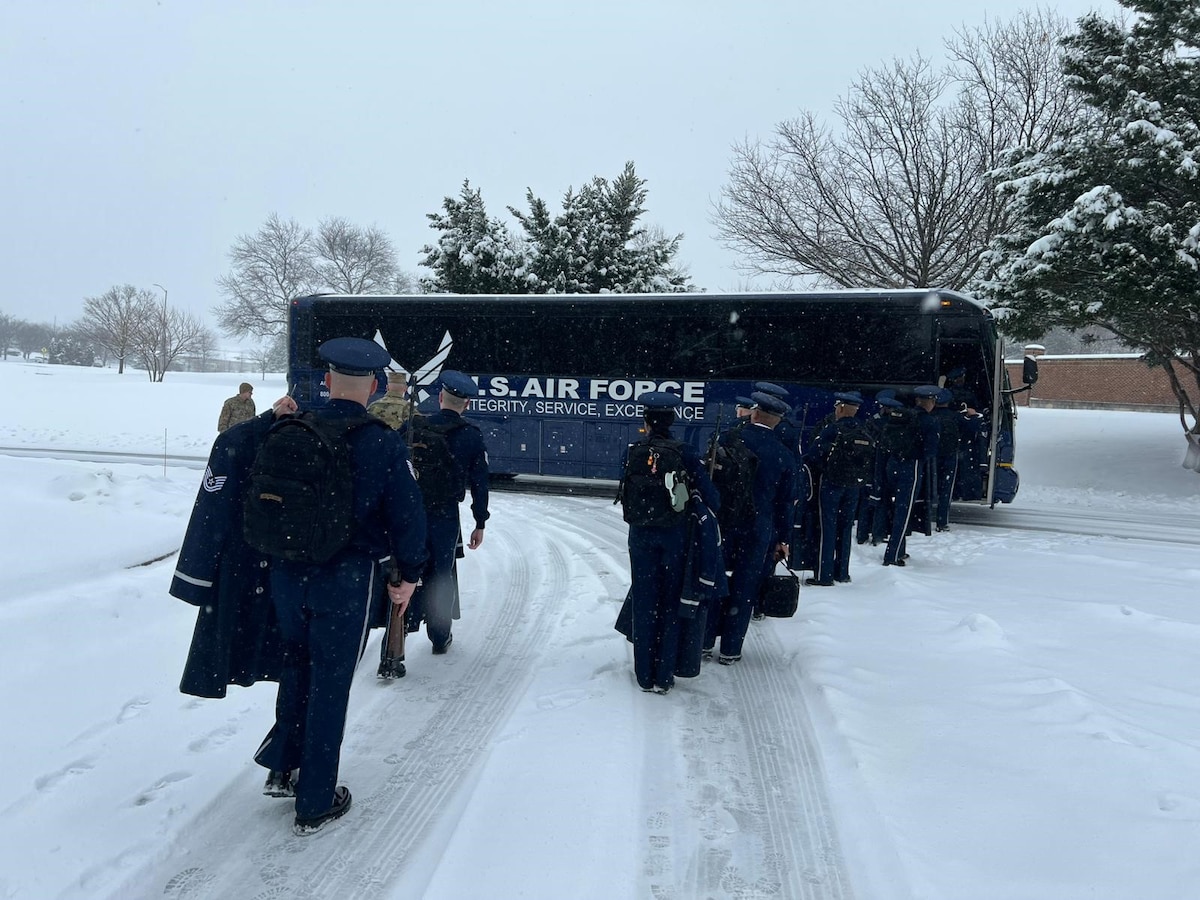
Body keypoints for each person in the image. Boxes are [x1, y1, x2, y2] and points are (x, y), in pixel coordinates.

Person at [253, 337, 427, 836]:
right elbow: (408, 519)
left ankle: (283, 768)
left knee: (296, 667)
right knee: (331, 682)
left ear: (326, 382)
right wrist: (409, 576)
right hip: (345, 578)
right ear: (374, 387)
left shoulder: (292, 426)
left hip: (287, 573)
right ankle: (315, 798)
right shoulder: (382, 441)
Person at [619, 392, 719, 693]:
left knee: (645, 600)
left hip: (639, 535)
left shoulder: (632, 450)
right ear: (673, 420)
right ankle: (664, 675)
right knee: (670, 602)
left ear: (646, 421)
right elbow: (711, 498)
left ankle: (643, 675)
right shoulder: (686, 452)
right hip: (675, 536)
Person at [400, 369, 489, 659]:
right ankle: (439, 636)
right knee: (441, 575)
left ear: (439, 398)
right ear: (467, 405)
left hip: (409, 514)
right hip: (444, 516)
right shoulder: (471, 436)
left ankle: (397, 636)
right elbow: (480, 483)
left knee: (404, 572)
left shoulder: (413, 428)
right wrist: (479, 522)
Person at [704, 390, 795, 665]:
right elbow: (786, 503)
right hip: (759, 529)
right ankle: (731, 649)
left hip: (723, 523)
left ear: (754, 413)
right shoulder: (783, 454)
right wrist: (783, 539)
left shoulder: (728, 439)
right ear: (777, 421)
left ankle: (705, 641)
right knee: (745, 587)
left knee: (714, 581)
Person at [802, 391, 866, 585]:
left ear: (840, 408)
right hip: (854, 485)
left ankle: (824, 574)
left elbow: (813, 454)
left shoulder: (832, 429)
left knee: (827, 528)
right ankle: (842, 572)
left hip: (831, 483)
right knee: (846, 528)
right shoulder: (863, 430)